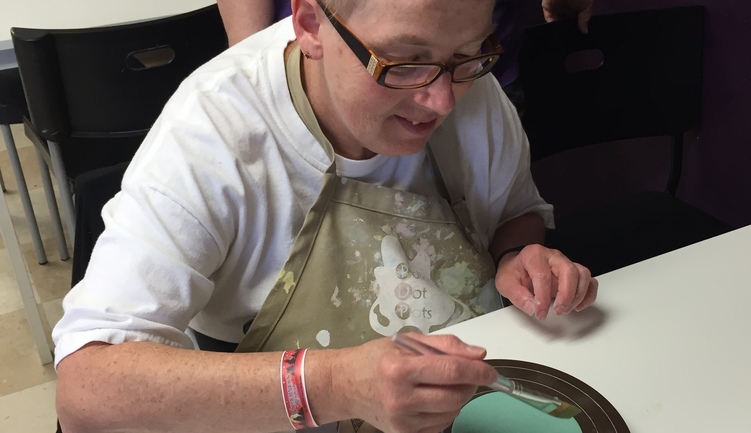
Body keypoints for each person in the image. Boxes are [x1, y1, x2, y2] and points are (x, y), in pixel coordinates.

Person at [53, 0, 598, 432]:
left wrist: (517, 253)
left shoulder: (472, 89)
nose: (442, 102)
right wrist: (333, 386)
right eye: (404, 64)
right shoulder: (214, 133)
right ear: (311, 23)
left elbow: (515, 212)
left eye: (468, 56)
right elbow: (86, 390)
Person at [216, 0, 595, 91]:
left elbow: (513, 212)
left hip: (479, 66)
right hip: (328, 63)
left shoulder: (481, 103)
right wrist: (255, 71)